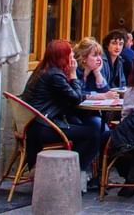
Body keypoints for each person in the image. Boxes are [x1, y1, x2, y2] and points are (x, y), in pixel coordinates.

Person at [22, 39, 104, 192]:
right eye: (70, 54)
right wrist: (73, 75)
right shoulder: (55, 75)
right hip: (45, 126)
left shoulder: (43, 70)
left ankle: (68, 172)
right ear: (62, 56)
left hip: (35, 124)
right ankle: (70, 172)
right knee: (93, 133)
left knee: (84, 127)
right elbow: (75, 98)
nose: (73, 58)